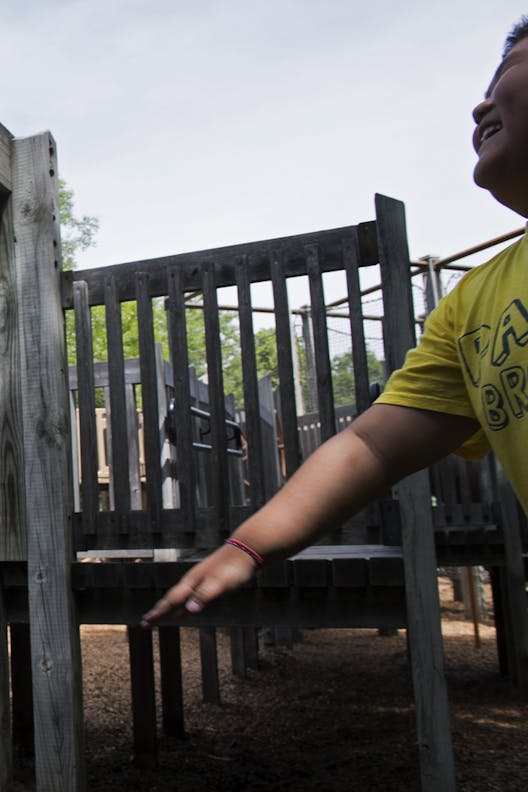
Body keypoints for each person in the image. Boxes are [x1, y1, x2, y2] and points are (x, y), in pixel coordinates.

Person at [142, 16, 528, 629]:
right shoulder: (474, 306)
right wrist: (248, 545)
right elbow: (369, 443)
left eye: (508, 75)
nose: (480, 105)